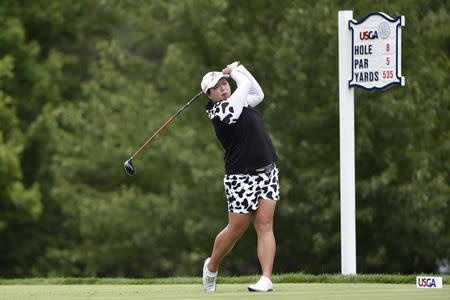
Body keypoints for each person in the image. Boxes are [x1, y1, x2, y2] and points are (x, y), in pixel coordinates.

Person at [200, 61, 280, 292]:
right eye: (218, 86)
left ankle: (266, 278)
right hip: (240, 178)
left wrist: (241, 69)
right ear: (210, 94)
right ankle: (212, 266)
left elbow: (258, 93)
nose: (224, 88)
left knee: (265, 224)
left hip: (267, 171)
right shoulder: (222, 112)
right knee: (237, 228)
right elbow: (243, 85)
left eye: (225, 83)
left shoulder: (240, 101)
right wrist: (235, 73)